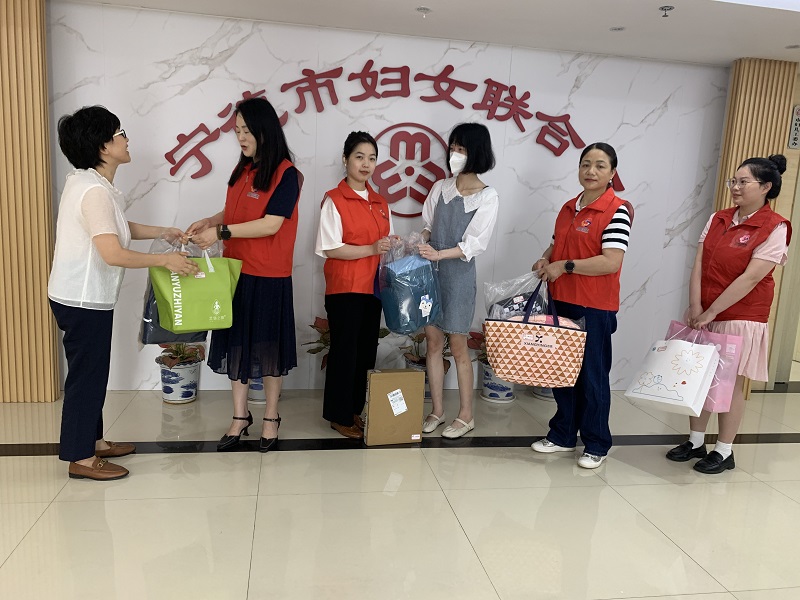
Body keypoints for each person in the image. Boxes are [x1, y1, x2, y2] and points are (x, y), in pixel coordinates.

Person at [48, 105, 199, 481]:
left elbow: (116, 226)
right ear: (103, 146)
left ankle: (93, 441)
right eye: (120, 133)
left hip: (79, 296)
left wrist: (161, 231)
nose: (127, 139)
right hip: (83, 299)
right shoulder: (94, 192)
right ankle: (81, 457)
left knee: (93, 372)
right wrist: (166, 261)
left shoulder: (91, 184)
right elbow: (112, 252)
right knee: (87, 376)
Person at [188, 97, 302, 453]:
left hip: (268, 274)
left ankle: (270, 416)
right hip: (234, 271)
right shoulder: (243, 169)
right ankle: (240, 417)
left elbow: (270, 224)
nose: (240, 137)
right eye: (237, 130)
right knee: (236, 343)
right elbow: (235, 210)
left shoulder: (287, 174)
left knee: (268, 349)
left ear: (265, 131)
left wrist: (221, 232)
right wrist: (211, 221)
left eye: (247, 131)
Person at [666, 155, 791, 474]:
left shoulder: (775, 227)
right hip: (705, 311)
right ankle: (696, 441)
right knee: (698, 376)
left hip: (741, 316)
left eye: (743, 182)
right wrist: (696, 305)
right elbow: (699, 263)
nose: (735, 187)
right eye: (733, 181)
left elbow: (751, 278)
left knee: (728, 382)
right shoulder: (718, 218)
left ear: (765, 187)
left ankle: (724, 450)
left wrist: (712, 311)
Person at [531, 142, 633, 469]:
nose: (591, 171)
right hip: (560, 300)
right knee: (562, 373)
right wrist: (545, 259)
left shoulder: (617, 210)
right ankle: (562, 435)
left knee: (592, 377)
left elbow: (611, 261)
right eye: (585, 164)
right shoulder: (568, 207)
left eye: (600, 166)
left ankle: (596, 443)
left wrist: (565, 266)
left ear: (612, 173)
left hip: (594, 306)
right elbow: (556, 244)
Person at [418, 122, 499, 439]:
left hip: (459, 276)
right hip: (431, 274)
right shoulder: (440, 187)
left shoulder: (488, 196)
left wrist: (439, 254)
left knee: (458, 345)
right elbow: (428, 225)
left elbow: (474, 245)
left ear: (476, 152)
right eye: (452, 147)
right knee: (433, 342)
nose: (454, 153)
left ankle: (466, 415)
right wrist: (420, 241)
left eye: (461, 148)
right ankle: (437, 411)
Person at [315, 132, 393, 439]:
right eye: (359, 157)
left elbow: (384, 243)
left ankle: (354, 410)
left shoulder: (380, 202)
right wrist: (371, 249)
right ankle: (338, 415)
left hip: (373, 288)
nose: (366, 164)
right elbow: (330, 248)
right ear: (345, 159)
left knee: (365, 353)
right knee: (345, 353)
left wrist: (392, 245)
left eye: (372, 158)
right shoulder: (334, 200)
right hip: (345, 288)